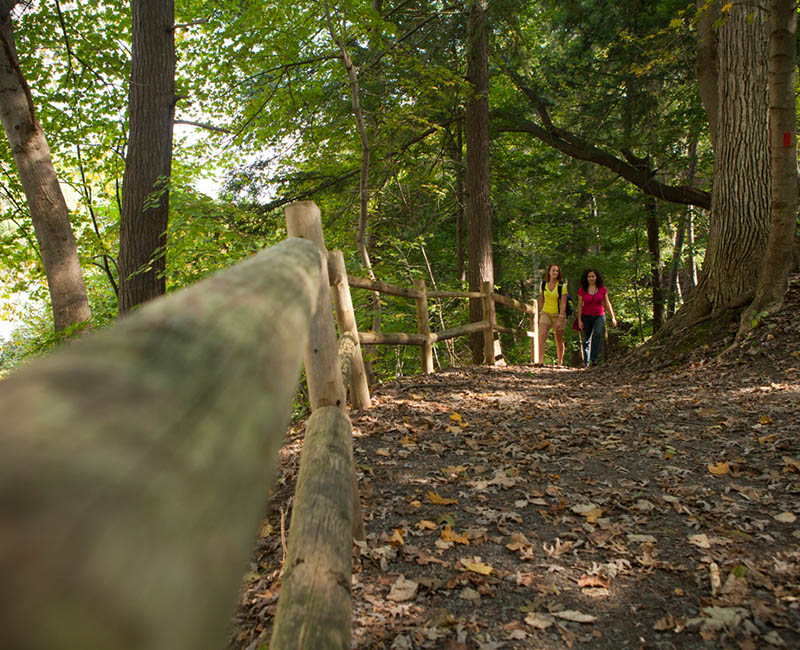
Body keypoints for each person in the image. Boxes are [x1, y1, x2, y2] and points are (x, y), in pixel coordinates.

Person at [576, 268, 617, 366]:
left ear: (596, 277)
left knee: (597, 334)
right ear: (586, 278)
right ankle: (586, 361)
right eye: (589, 276)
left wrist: (613, 317)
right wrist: (579, 320)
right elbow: (579, 305)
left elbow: (607, 303)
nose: (591, 278)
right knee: (587, 338)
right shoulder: (582, 290)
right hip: (586, 316)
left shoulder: (602, 289)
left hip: (599, 315)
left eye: (593, 276)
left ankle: (594, 359)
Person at [536, 264, 568, 367]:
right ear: (549, 272)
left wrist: (560, 318)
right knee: (542, 335)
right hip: (546, 313)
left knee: (558, 339)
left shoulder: (561, 286)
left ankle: (560, 361)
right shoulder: (543, 285)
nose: (555, 273)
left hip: (558, 314)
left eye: (557, 271)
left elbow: (564, 304)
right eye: (553, 271)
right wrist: (539, 315)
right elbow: (541, 300)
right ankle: (540, 361)